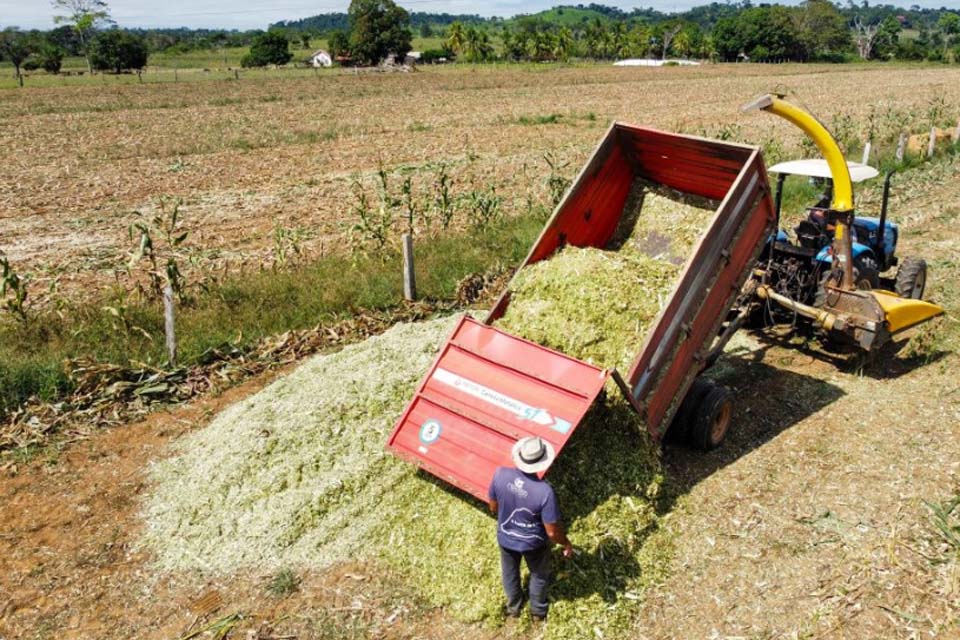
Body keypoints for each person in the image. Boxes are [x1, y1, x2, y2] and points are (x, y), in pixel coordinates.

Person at [487, 436, 573, 621]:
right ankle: (538, 612)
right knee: (539, 574)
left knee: (509, 572)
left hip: (506, 537)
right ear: (541, 462)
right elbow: (551, 531)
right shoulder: (545, 492)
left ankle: (513, 609)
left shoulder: (500, 474)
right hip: (534, 544)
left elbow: (493, 507)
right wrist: (566, 543)